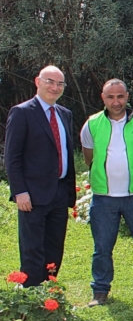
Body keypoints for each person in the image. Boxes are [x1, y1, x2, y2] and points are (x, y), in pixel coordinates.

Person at [81, 79, 133, 306]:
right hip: (104, 198)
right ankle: (100, 291)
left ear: (127, 96)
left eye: (120, 96)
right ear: (103, 98)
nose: (116, 102)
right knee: (102, 248)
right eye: (110, 97)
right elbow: (89, 157)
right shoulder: (92, 123)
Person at [4, 65, 76, 287]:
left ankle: (50, 294)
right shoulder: (22, 112)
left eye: (60, 84)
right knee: (32, 250)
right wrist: (20, 192)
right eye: (50, 82)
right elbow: (11, 157)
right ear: (37, 82)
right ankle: (33, 301)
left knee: (55, 248)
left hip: (59, 193)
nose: (55, 87)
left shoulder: (65, 114)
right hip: (32, 196)